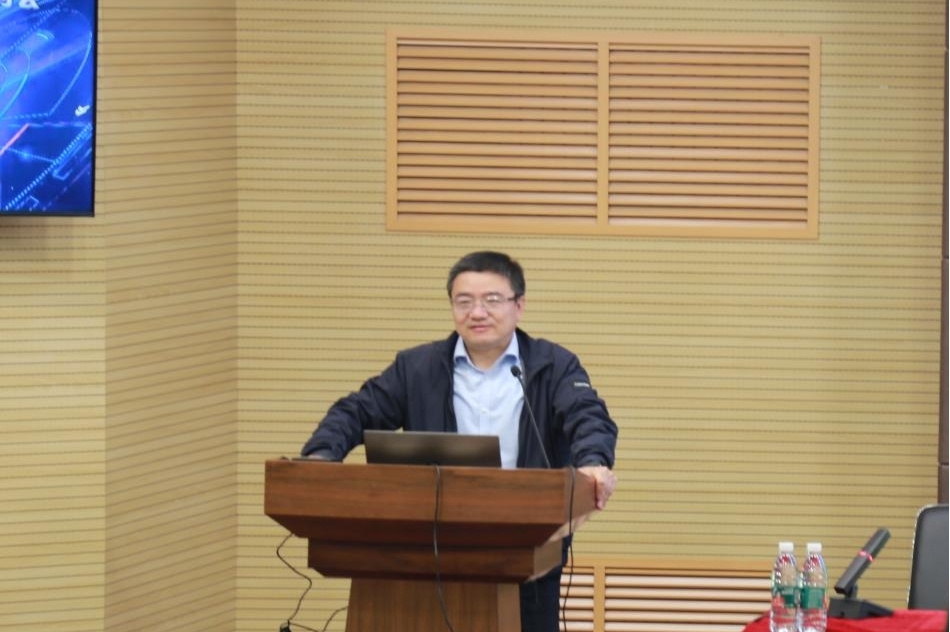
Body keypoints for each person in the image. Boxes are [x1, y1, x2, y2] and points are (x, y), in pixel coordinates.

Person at [301, 250, 618, 632]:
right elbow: (355, 411)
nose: (477, 312)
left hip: (528, 553)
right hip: (428, 552)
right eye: (464, 301)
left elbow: (587, 416)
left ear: (519, 305)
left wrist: (593, 462)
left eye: (492, 300)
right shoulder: (416, 368)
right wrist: (320, 456)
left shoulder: (554, 365)